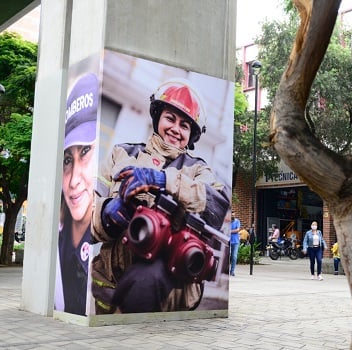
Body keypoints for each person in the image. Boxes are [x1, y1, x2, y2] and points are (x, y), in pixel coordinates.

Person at [90, 79, 230, 314]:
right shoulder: (122, 154)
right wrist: (106, 214)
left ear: (191, 135)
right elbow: (82, 217)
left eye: (185, 125)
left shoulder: (198, 170)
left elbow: (217, 203)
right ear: (157, 118)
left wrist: (165, 181)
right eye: (170, 118)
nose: (176, 129)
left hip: (167, 294)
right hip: (109, 289)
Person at [55, 73, 99, 315]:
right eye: (67, 160)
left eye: (85, 151)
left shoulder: (111, 233)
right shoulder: (58, 233)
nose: (73, 179)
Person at [229, 211, 241, 276]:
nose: (233, 216)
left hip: (235, 241)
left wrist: (229, 231)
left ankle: (232, 271)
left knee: (234, 256)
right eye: (232, 216)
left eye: (234, 215)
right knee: (228, 256)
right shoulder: (228, 221)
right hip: (228, 241)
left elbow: (237, 230)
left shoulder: (237, 221)